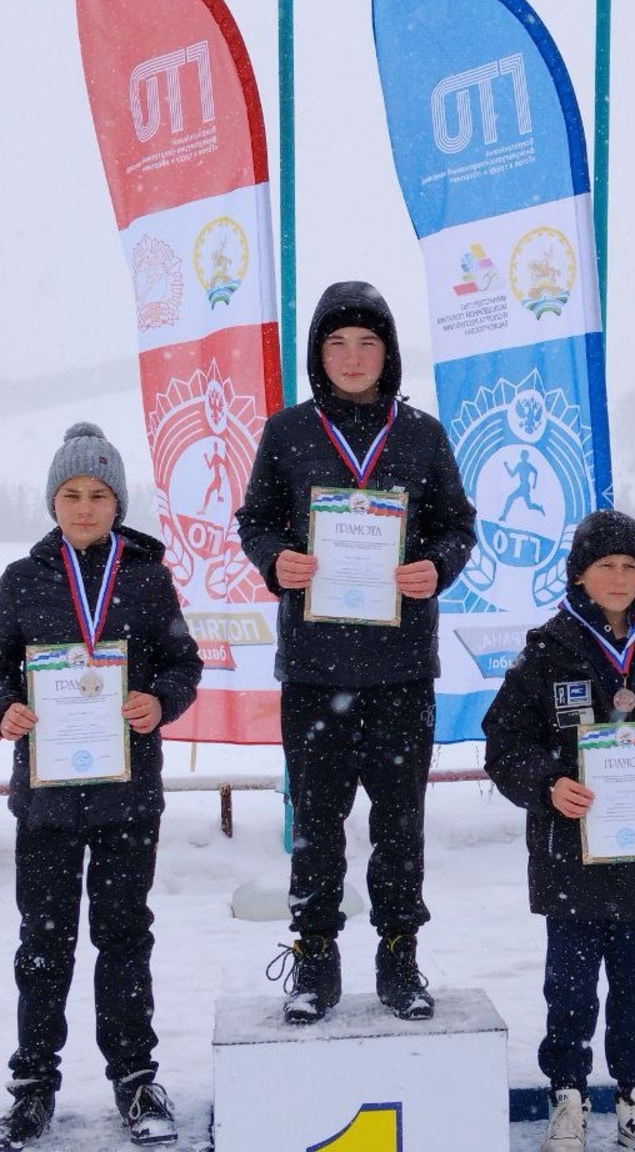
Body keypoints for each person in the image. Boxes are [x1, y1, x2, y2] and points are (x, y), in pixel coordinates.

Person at [237, 281, 476, 1024]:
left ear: (389, 353)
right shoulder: (288, 433)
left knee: (399, 822)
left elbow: (457, 527)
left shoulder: (422, 435)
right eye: (336, 343)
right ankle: (315, 958)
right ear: (318, 354)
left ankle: (399, 957)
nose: (351, 357)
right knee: (315, 821)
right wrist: (277, 559)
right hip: (314, 669)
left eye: (367, 342)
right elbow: (255, 521)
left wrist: (436, 566)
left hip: (401, 670)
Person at [0, 422, 203, 1150]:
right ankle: (33, 1085)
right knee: (43, 945)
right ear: (52, 500)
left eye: (98, 494)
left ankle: (135, 1080)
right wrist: (1, 707)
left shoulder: (147, 577)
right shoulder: (22, 578)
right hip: (45, 801)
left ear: (118, 502)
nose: (83, 507)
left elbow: (182, 663)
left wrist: (160, 701)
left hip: (126, 798)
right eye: (70, 494)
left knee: (124, 938)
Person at [483, 509, 635, 1152]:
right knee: (568, 984)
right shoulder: (547, 651)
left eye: (629, 566)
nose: (618, 578)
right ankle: (567, 1097)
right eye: (604, 566)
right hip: (571, 858)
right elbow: (504, 742)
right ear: (580, 576)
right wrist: (546, 784)